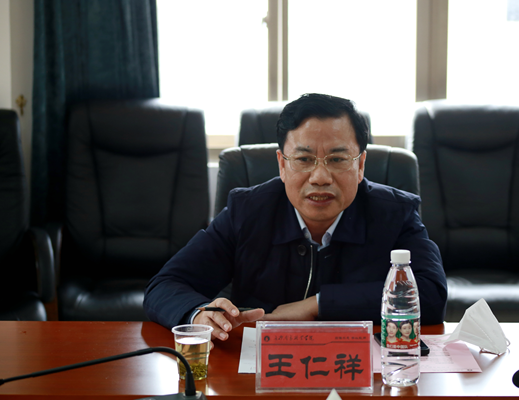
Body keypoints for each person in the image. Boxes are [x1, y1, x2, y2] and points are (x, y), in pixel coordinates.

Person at [143, 93, 447, 344]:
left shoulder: (395, 213)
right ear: (282, 165)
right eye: (303, 159)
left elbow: (430, 295)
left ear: (361, 165)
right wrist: (198, 314)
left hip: (359, 373)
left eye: (337, 159)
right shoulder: (247, 211)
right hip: (261, 373)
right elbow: (166, 285)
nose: (320, 177)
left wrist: (318, 305)